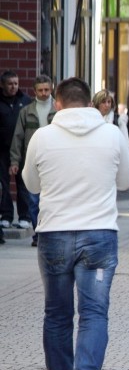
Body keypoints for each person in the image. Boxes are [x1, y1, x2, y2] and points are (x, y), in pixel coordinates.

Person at [22, 77, 129, 370]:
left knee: (57, 314)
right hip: (99, 233)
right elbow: (126, 181)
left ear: (56, 103)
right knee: (94, 313)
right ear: (89, 102)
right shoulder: (112, 134)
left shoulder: (43, 136)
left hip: (55, 233)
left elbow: (30, 183)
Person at [9, 75, 55, 246]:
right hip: (33, 160)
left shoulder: (58, 110)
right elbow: (18, 138)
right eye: (41, 90)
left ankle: (48, 234)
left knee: (50, 201)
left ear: (52, 89)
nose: (44, 93)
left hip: (54, 161)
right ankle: (38, 234)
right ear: (34, 91)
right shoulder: (26, 112)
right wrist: (15, 162)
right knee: (34, 201)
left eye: (47, 90)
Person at [0, 70, 32, 229]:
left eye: (16, 83)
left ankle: (24, 217)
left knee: (22, 183)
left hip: (21, 149)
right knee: (4, 184)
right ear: (2, 85)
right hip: (2, 150)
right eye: (10, 84)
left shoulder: (25, 101)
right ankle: (6, 216)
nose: (13, 87)